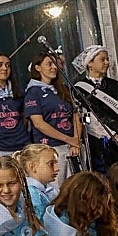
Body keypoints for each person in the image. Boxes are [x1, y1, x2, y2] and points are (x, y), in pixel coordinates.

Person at [71, 45, 118, 173]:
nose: (107, 63)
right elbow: (86, 118)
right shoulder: (79, 89)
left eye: (107, 59)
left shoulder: (117, 85)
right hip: (100, 143)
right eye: (102, 60)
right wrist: (112, 135)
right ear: (90, 63)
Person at [41, 172, 118, 236]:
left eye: (104, 206)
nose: (101, 212)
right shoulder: (61, 225)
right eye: (98, 206)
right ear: (82, 202)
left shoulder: (91, 218)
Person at [24, 51, 81, 187]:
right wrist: (68, 139)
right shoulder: (33, 92)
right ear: (38, 68)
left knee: (76, 188)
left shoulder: (64, 89)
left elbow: (76, 114)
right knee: (56, 190)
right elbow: (38, 124)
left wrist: (75, 140)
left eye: (55, 64)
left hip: (73, 147)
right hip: (51, 148)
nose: (54, 67)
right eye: (49, 64)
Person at [14, 143, 60, 221]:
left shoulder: (50, 189)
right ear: (32, 166)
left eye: (56, 163)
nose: (57, 168)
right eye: (51, 164)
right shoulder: (31, 194)